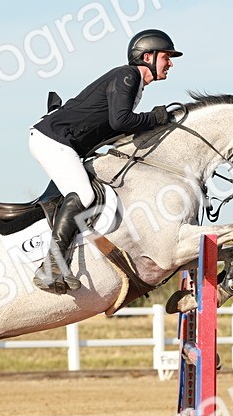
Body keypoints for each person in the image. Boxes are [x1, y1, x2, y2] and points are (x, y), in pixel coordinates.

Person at [28, 28, 182, 294]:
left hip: (61, 142)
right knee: (84, 194)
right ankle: (51, 266)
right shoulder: (128, 75)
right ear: (147, 56)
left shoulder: (135, 85)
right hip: (53, 140)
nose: (170, 63)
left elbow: (116, 129)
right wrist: (155, 118)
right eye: (166, 57)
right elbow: (120, 121)